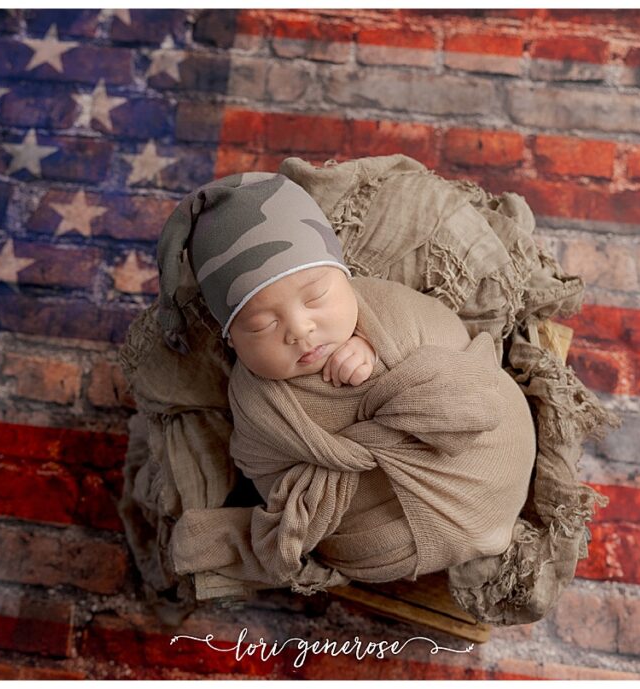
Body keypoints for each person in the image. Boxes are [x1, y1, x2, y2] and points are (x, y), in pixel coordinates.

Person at [154, 171, 537, 593]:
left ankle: (488, 530)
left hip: (480, 466)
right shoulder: (254, 399)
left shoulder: (385, 305)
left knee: (483, 408)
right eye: (261, 324)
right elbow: (264, 471)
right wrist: (332, 465)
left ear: (344, 276)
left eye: (316, 297)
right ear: (232, 340)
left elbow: (461, 360)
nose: (300, 329)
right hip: (377, 541)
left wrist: (379, 353)